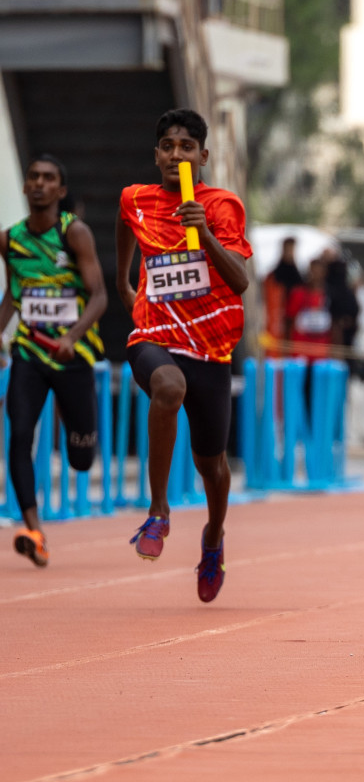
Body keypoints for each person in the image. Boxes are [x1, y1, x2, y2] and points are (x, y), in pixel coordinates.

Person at [116, 109, 252, 603]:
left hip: (212, 348)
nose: (177, 154)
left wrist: (206, 232)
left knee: (212, 466)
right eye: (168, 146)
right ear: (157, 155)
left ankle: (213, 534)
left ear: (203, 156)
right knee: (167, 388)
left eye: (187, 147)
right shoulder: (136, 199)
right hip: (153, 335)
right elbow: (123, 227)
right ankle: (159, 511)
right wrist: (123, 282)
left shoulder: (221, 205)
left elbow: (239, 281)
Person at [1, 157, 108, 567]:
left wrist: (72, 335)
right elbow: (15, 294)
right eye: (34, 178)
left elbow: (98, 296)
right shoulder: (9, 240)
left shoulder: (74, 233)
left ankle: (80, 436)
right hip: (29, 352)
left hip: (72, 355)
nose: (40, 184)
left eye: (49, 179)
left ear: (61, 191)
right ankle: (34, 530)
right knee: (19, 436)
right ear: (26, 188)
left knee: (81, 456)